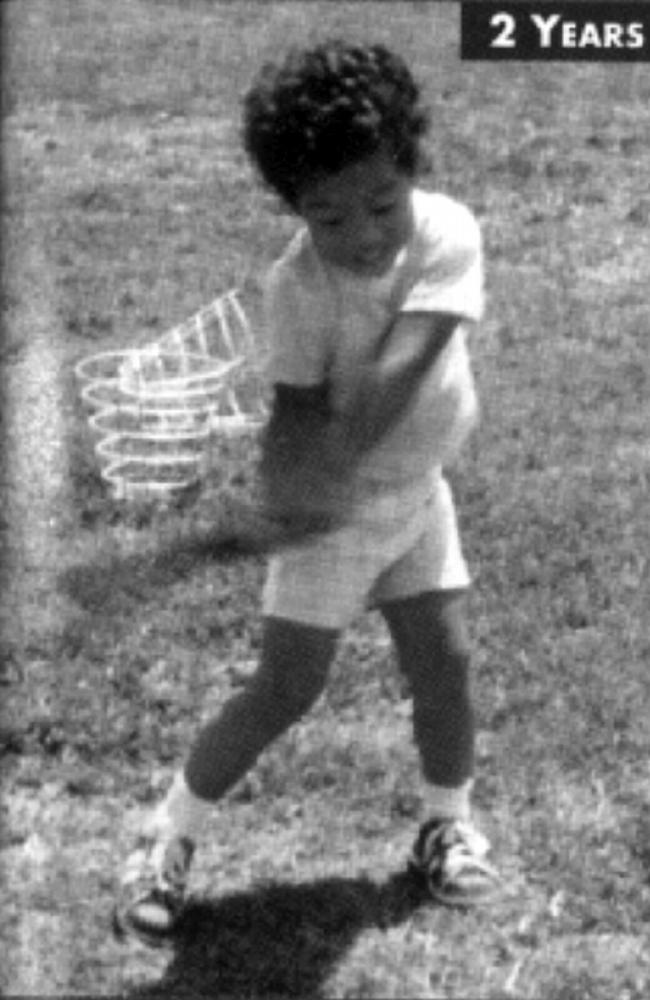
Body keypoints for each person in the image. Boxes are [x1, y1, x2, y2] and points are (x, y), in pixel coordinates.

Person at [114, 38, 500, 946]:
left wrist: (336, 462)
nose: (363, 235)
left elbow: (410, 363)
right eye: (329, 217)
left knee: (444, 663)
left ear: (414, 168)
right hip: (334, 529)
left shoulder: (447, 234)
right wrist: (290, 484)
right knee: (285, 688)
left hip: (415, 496)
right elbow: (293, 410)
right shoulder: (294, 288)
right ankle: (167, 837)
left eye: (380, 202)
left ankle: (446, 822)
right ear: (294, 210)